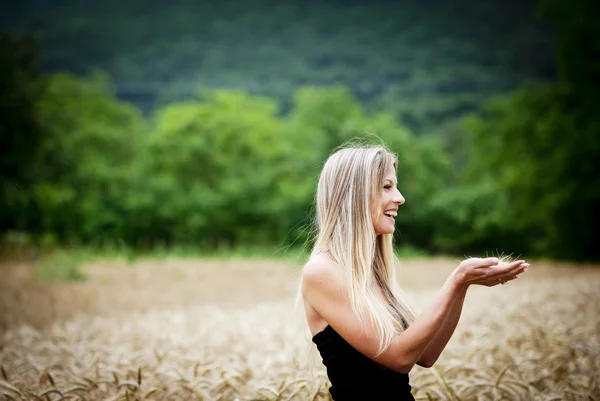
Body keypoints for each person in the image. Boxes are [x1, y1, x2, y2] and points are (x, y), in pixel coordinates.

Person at [299, 142, 529, 400]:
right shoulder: (322, 271)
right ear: (354, 194)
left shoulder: (372, 273)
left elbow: (427, 355)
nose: (400, 198)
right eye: (387, 187)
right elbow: (398, 358)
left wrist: (463, 285)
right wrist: (456, 279)